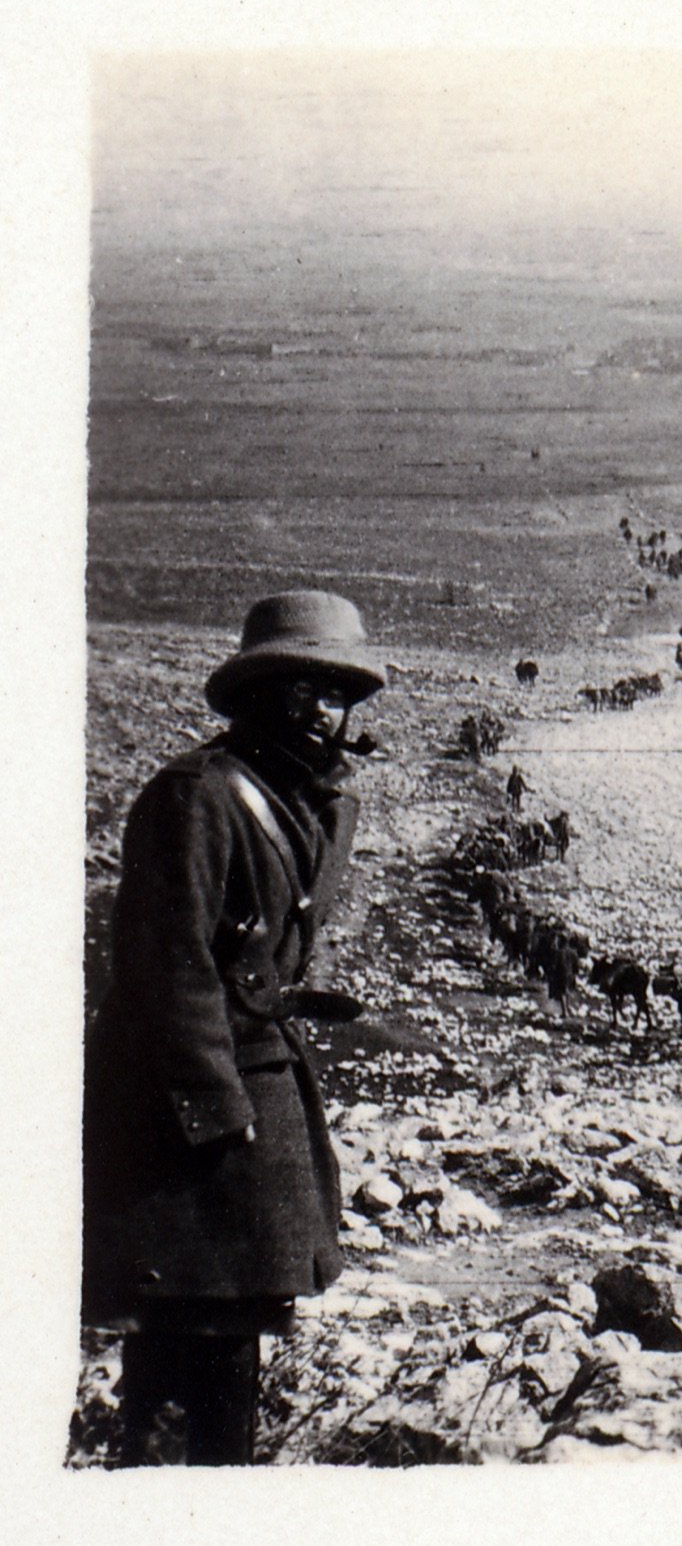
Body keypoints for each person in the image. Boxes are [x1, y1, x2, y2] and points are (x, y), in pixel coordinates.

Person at [81, 590, 386, 1466]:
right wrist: (217, 1113)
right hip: (191, 1112)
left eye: (341, 696)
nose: (329, 713)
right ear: (266, 693)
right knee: (182, 1336)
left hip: (254, 1092)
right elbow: (167, 967)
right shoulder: (200, 797)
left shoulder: (303, 800)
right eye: (310, 690)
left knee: (232, 1337)